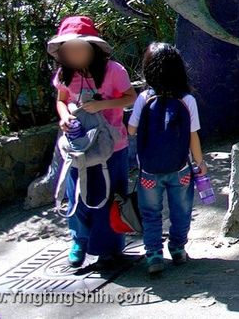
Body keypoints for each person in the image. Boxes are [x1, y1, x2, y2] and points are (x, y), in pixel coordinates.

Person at [48, 15, 136, 269]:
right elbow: (61, 99)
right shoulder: (65, 75)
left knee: (110, 197)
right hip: (79, 147)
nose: (74, 54)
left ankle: (109, 249)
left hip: (113, 147)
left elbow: (130, 97)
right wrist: (64, 116)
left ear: (92, 48)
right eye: (69, 50)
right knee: (77, 195)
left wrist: (101, 105)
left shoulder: (114, 71)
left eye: (79, 48)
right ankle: (79, 241)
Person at [128, 42, 206, 277]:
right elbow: (193, 137)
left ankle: (153, 254)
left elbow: (131, 130)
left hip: (149, 172)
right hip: (180, 170)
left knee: (151, 213)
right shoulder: (187, 100)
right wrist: (200, 163)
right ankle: (178, 248)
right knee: (181, 210)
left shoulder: (144, 98)